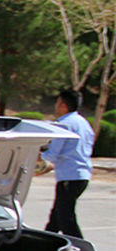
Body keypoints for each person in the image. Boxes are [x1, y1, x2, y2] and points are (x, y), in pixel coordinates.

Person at [42, 88, 94, 238]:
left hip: (69, 177)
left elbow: (52, 154)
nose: (55, 106)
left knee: (66, 218)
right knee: (56, 218)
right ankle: (45, 244)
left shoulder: (64, 124)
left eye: (57, 102)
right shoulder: (84, 123)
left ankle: (81, 247)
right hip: (81, 175)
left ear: (63, 106)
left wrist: (36, 157)